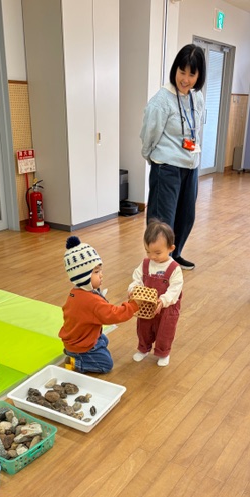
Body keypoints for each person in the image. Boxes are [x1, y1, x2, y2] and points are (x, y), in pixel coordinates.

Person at [140, 44, 206, 271]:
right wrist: (152, 157)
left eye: (192, 74)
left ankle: (173, 256)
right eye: (181, 72)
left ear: (199, 76)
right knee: (162, 220)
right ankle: (156, 264)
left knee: (186, 216)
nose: (185, 79)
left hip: (190, 165)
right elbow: (149, 133)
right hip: (166, 166)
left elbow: (196, 129)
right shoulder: (162, 99)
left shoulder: (197, 98)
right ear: (174, 70)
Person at [59, 236, 140, 373]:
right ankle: (74, 362)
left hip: (76, 339)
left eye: (100, 270)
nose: (101, 275)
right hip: (80, 346)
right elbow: (114, 314)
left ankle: (75, 353)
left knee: (104, 340)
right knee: (106, 364)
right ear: (82, 277)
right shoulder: (91, 300)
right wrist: (133, 306)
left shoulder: (76, 292)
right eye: (96, 272)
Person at [128, 219, 183, 367]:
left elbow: (175, 289)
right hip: (146, 307)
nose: (152, 256)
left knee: (165, 332)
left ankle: (163, 353)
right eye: (148, 251)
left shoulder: (174, 268)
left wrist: (163, 300)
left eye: (157, 253)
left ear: (171, 248)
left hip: (166, 309)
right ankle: (143, 348)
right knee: (143, 329)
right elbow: (137, 279)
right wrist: (133, 289)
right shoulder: (146, 263)